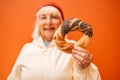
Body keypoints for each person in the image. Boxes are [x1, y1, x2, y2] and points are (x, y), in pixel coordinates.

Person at [7, 2, 101, 80]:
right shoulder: (27, 49)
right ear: (37, 23)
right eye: (43, 17)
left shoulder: (74, 48)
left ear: (62, 23)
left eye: (54, 17)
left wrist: (83, 69)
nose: (48, 22)